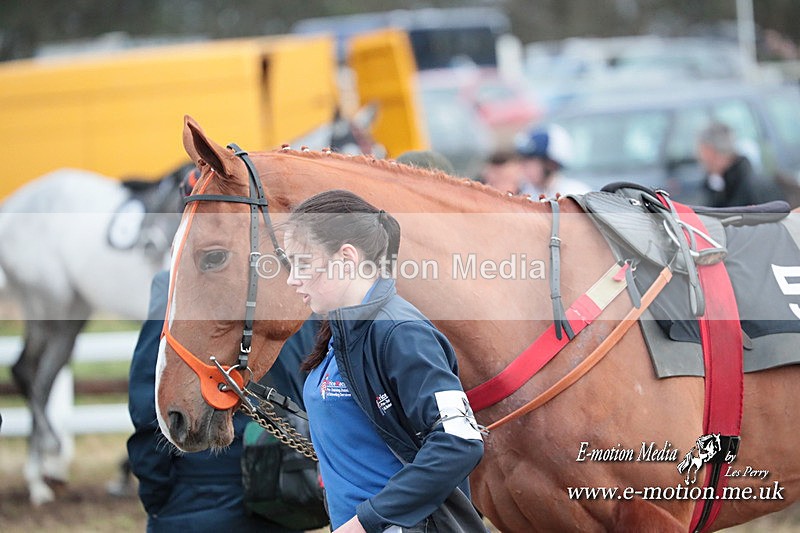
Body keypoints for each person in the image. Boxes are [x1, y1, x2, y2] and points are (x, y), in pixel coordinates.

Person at [283, 190, 485, 533]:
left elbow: (460, 441)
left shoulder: (401, 331)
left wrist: (366, 521)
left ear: (346, 257)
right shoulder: (339, 331)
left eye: (301, 263)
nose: (292, 278)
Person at [126, 269, 311, 532]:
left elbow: (149, 397)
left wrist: (157, 494)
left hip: (198, 495)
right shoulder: (302, 287)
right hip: (286, 492)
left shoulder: (179, 284)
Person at [514, 124, 591, 198]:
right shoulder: (522, 192)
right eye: (522, 160)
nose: (523, 167)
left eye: (530, 161)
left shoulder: (576, 194)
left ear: (551, 164)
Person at [696, 120, 759, 207]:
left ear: (709, 151)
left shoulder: (749, 189)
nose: (698, 156)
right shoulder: (718, 183)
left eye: (701, 150)